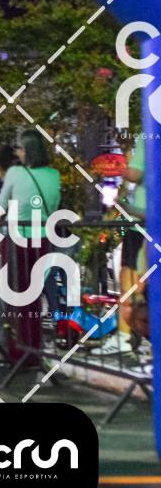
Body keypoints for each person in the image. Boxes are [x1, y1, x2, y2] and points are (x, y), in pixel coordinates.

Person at [0, 129, 61, 362]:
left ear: (28, 150)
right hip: (42, 239)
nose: (17, 153)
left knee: (15, 295)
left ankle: (18, 349)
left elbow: (0, 204)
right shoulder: (54, 175)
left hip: (17, 239)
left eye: (19, 148)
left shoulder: (16, 173)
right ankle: (34, 347)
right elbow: (54, 206)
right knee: (34, 295)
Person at [92, 136, 146, 357]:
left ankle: (124, 338)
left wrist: (115, 167)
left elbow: (135, 173)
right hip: (145, 221)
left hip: (142, 224)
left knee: (130, 285)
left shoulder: (150, 136)